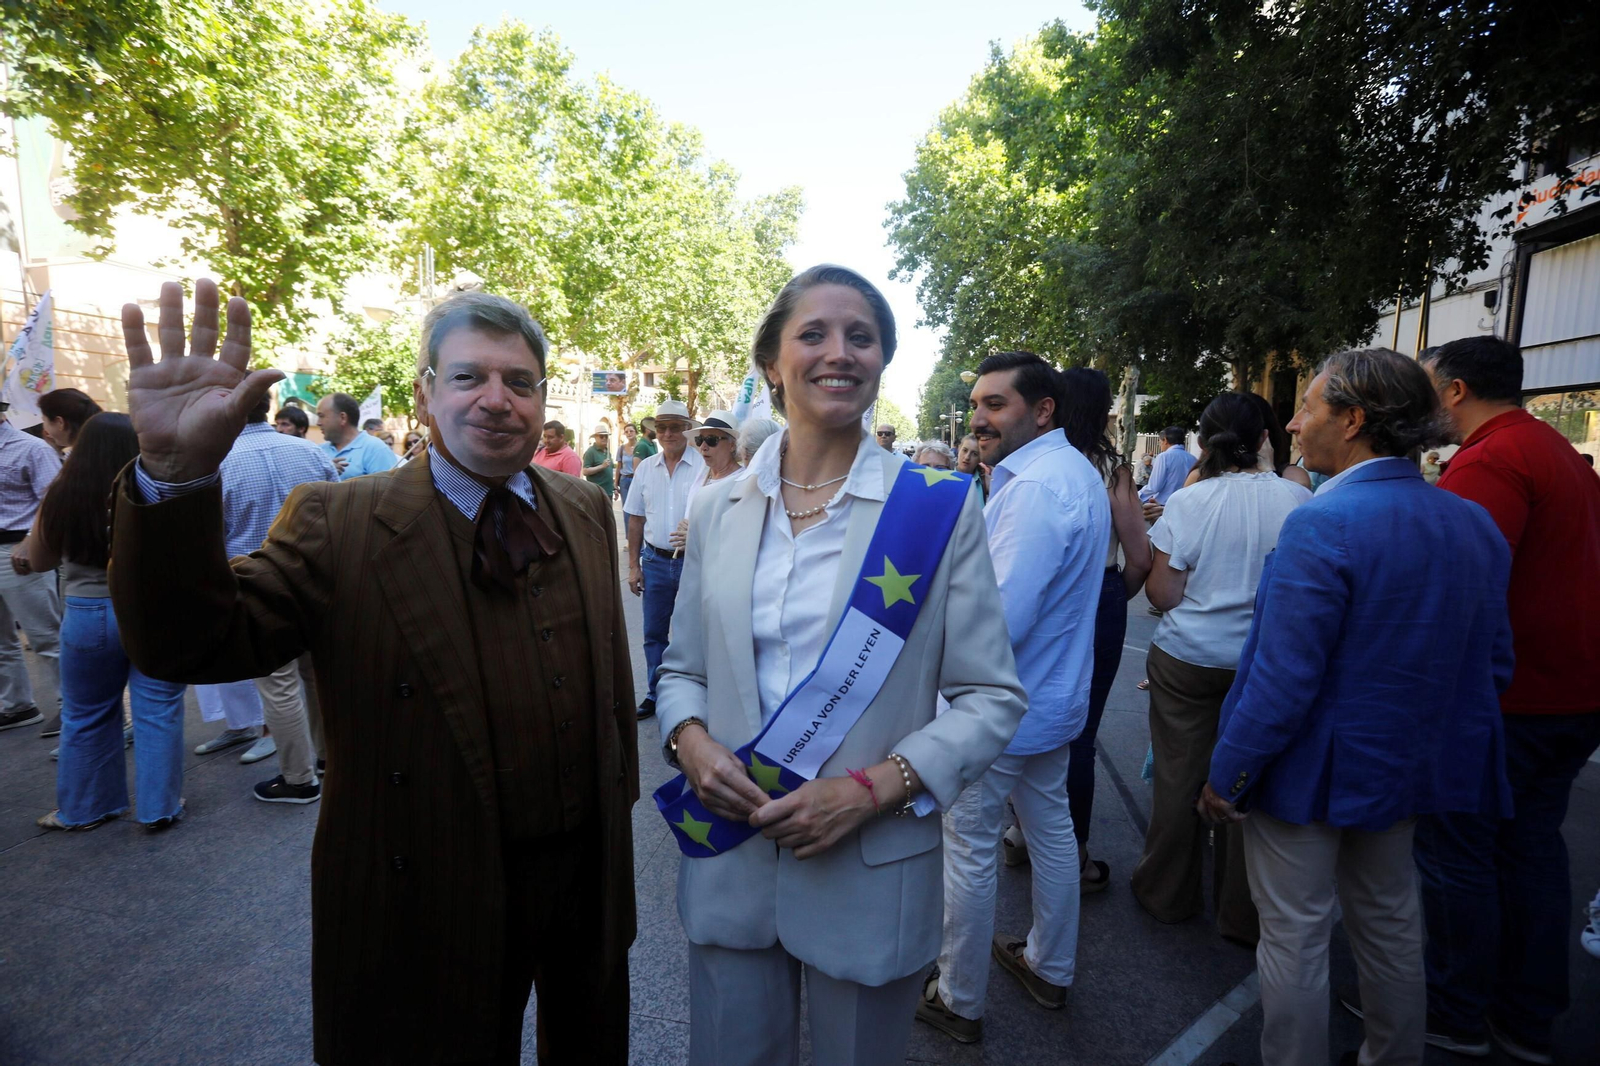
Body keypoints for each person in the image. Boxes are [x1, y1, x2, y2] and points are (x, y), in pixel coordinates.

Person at [108, 280, 638, 1064]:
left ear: (541, 398)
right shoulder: (339, 520)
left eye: (518, 381)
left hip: (582, 881)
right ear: (427, 395)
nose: (497, 400)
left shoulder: (583, 508)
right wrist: (175, 478)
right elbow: (191, 644)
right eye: (468, 377)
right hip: (425, 891)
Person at [655, 264, 1025, 1066]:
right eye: (813, 334)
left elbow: (991, 697)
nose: (839, 352)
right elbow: (681, 667)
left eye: (861, 336)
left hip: (868, 863)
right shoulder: (716, 507)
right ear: (772, 363)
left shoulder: (937, 507)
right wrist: (690, 741)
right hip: (732, 853)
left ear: (882, 362)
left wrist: (872, 789)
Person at [1201, 348, 1513, 1066]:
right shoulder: (1471, 524)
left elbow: (1281, 681)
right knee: (1392, 922)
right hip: (1403, 771)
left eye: (1307, 406)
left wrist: (1229, 776)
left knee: (1297, 937)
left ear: (1353, 420)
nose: (1293, 420)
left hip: (1309, 774)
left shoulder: (1322, 523)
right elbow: (1491, 664)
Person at [1404, 336, 1600, 1062]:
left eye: (1426, 388)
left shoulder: (1492, 460)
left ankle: (1456, 1009)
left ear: (1454, 391)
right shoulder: (1548, 450)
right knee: (1530, 851)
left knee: (1459, 852)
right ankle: (1526, 1014)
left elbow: (1455, 581)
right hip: (1566, 691)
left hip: (1510, 698)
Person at [917, 351, 1109, 1046]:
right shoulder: (1067, 473)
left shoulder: (1036, 487)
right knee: (1051, 832)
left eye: (994, 405)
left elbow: (1001, 616)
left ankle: (959, 997)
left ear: (1043, 408)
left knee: (968, 845)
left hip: (1002, 706)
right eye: (976, 405)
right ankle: (1047, 965)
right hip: (1046, 701)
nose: (978, 419)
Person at [1131, 393, 1311, 945]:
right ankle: (1243, 913)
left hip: (1188, 658)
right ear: (1263, 439)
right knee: (1247, 784)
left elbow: (1162, 590)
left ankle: (1166, 894)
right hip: (1265, 663)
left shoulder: (1190, 503)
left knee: (1178, 779)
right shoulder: (1300, 500)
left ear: (1202, 444)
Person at [1004, 368, 1152, 891]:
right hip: (1098, 599)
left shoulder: (1033, 463)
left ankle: (1022, 831)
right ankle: (1076, 853)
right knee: (1079, 732)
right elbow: (1139, 555)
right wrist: (1111, 592)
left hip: (1035, 600)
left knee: (1022, 712)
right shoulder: (1110, 468)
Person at [20, 414, 188, 831]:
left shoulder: (63, 492)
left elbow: (38, 560)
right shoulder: (158, 490)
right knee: (158, 710)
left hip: (87, 612)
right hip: (153, 611)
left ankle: (85, 809)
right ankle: (158, 808)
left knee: (86, 713)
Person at [215, 394, 339, 801]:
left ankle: (299, 779)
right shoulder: (310, 451)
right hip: (317, 580)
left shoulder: (219, 464)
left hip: (258, 586)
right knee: (314, 674)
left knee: (278, 683)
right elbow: (339, 516)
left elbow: (211, 538)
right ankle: (327, 758)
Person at [623, 399, 703, 720]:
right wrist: (633, 566)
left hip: (694, 562)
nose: (667, 433)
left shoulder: (705, 466)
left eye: (674, 427)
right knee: (654, 634)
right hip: (654, 562)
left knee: (694, 633)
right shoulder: (645, 468)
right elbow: (636, 520)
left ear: (687, 429)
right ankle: (655, 694)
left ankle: (694, 700)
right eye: (661, 427)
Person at [0, 400, 63, 736]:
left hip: (18, 551)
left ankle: (72, 705)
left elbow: (53, 502)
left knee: (45, 635)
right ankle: (17, 706)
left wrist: (29, 540)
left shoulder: (31, 448)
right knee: (1, 641)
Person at [316, 392, 398, 480]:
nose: (318, 423)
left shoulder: (376, 449)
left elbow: (389, 490)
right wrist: (323, 475)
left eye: (322, 416)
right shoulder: (318, 451)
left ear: (343, 418)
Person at [1138, 426, 1196, 506]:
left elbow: (1154, 487)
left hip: (1164, 505)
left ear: (1165, 440)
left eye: (1159, 441)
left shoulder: (1164, 457)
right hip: (1185, 505)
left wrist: (1138, 495)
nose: (1159, 444)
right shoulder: (1193, 459)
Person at [37, 388, 103, 454]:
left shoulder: (82, 457)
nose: (44, 428)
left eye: (44, 420)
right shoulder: (99, 447)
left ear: (60, 422)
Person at [581, 426, 615, 498]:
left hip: (608, 492)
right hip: (597, 493)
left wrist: (614, 487)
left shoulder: (608, 451)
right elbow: (585, 471)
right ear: (595, 437)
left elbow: (609, 472)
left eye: (606, 436)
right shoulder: (590, 452)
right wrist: (602, 466)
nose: (604, 438)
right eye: (601, 436)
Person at [956, 433, 989, 500]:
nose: (967, 457)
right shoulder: (945, 476)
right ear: (959, 449)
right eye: (965, 450)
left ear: (980, 458)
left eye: (974, 454)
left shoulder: (986, 482)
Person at [616, 422, 641, 506]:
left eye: (631, 431)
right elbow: (619, 467)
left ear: (636, 432)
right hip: (624, 480)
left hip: (637, 479)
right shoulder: (621, 448)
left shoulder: (641, 447)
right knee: (626, 506)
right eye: (626, 432)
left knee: (637, 505)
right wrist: (615, 483)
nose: (629, 433)